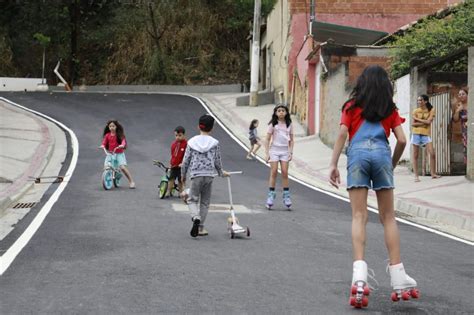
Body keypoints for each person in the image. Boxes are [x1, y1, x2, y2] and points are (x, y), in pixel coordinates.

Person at [328, 65, 418, 306]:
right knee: (388, 217)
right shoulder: (389, 108)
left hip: (357, 155)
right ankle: (398, 277)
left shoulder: (351, 106)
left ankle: (359, 277)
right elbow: (401, 139)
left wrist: (333, 164)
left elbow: (342, 134)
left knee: (359, 216)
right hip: (381, 155)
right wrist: (391, 163)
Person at [181, 114, 229, 237]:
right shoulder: (214, 143)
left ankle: (195, 217)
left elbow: (186, 160)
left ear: (198, 126)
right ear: (212, 128)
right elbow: (217, 160)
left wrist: (183, 176)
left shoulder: (191, 142)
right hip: (209, 175)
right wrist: (220, 172)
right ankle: (201, 227)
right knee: (205, 202)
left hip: (196, 175)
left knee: (192, 199)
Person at [264, 105, 294, 209]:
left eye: (283, 111)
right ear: (276, 113)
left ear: (286, 113)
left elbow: (292, 140)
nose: (281, 112)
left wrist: (290, 152)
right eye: (279, 111)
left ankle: (286, 196)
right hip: (274, 150)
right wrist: (267, 153)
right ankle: (271, 195)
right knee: (274, 171)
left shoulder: (289, 125)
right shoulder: (273, 124)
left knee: (285, 172)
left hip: (285, 151)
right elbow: (267, 139)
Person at [411, 94, 441, 182]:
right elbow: (413, 124)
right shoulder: (415, 111)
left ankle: (433, 174)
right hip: (416, 133)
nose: (419, 102)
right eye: (418, 100)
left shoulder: (431, 110)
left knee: (432, 153)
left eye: (421, 100)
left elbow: (429, 122)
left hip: (426, 134)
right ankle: (416, 176)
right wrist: (424, 122)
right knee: (415, 155)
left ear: (426, 101)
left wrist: (418, 120)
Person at [100, 120, 136, 189]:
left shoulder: (119, 135)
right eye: (110, 126)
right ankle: (107, 177)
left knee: (122, 167)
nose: (112, 128)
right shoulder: (107, 135)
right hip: (110, 154)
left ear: (116, 127)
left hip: (119, 154)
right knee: (106, 167)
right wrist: (103, 145)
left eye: (113, 126)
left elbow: (123, 141)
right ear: (108, 127)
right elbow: (104, 142)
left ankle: (131, 181)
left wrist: (122, 145)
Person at [168, 126, 187, 197]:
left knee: (180, 180)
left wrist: (183, 163)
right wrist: (171, 164)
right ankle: (168, 191)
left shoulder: (186, 144)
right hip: (174, 165)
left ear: (184, 135)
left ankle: (180, 192)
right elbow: (173, 155)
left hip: (181, 166)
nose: (178, 137)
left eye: (180, 135)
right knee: (171, 179)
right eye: (176, 135)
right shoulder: (173, 144)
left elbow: (187, 155)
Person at [452, 88, 468, 164]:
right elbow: (455, 120)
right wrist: (458, 110)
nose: (461, 96)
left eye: (463, 94)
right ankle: (469, 169)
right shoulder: (458, 105)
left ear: (467, 95)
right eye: (460, 94)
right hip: (465, 132)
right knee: (466, 149)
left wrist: (464, 108)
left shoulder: (471, 104)